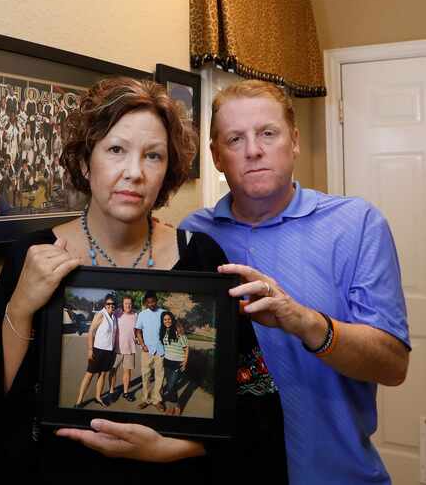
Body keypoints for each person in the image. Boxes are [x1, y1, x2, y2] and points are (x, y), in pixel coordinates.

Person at [0, 76, 288, 482]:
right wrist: (21, 307)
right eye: (116, 150)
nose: (135, 172)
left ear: (167, 172)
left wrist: (170, 449)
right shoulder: (35, 254)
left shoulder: (201, 257)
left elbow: (254, 410)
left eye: (153, 156)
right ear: (84, 161)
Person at [181, 79, 410, 485]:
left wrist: (302, 320)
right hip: (230, 472)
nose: (253, 150)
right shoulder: (193, 237)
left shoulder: (356, 224)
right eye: (235, 139)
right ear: (216, 156)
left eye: (268, 133)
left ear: (295, 141)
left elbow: (392, 366)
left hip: (339, 474)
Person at [74, 295, 118, 408]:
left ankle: (98, 397)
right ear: (105, 304)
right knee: (89, 374)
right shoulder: (100, 315)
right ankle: (79, 401)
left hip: (109, 351)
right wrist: (90, 350)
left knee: (102, 374)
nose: (111, 306)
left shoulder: (114, 316)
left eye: (113, 304)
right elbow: (91, 332)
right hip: (98, 350)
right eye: (108, 304)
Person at [134, 291, 166, 411]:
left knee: (159, 376)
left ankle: (157, 400)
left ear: (156, 301)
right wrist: (142, 345)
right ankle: (145, 400)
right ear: (146, 303)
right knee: (145, 376)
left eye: (153, 302)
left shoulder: (163, 313)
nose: (151, 304)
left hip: (160, 350)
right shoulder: (142, 314)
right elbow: (138, 331)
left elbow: (170, 328)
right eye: (148, 302)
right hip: (147, 351)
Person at [159, 311, 188, 416]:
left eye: (169, 319)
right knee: (173, 386)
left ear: (172, 319)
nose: (167, 321)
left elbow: (186, 348)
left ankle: (176, 405)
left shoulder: (178, 330)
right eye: (165, 320)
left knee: (171, 386)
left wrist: (185, 361)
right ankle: (171, 407)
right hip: (167, 362)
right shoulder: (163, 331)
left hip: (177, 362)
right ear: (163, 321)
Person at [110, 295, 138, 403]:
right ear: (123, 304)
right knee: (113, 371)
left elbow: (138, 330)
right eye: (126, 303)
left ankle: (125, 392)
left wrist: (138, 338)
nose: (128, 305)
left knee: (127, 372)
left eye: (130, 303)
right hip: (116, 349)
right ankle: (111, 392)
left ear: (132, 304)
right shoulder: (117, 313)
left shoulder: (136, 315)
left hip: (130, 348)